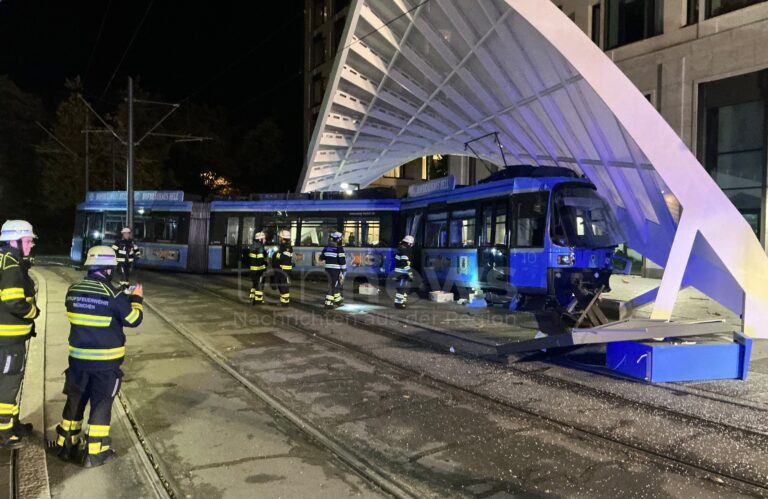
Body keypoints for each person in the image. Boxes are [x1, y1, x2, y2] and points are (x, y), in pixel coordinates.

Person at [52, 245, 144, 468]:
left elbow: (91, 319)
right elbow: (133, 320)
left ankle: (66, 445)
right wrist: (136, 299)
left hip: (78, 360)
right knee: (101, 404)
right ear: (108, 269)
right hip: (105, 364)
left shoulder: (73, 290)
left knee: (75, 400)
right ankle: (95, 452)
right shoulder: (114, 295)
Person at [0, 220, 39, 448]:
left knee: (9, 380)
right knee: (9, 383)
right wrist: (33, 311)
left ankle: (12, 423)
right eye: (28, 240)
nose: (31, 245)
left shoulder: (4, 259)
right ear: (13, 241)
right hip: (9, 338)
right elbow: (15, 302)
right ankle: (5, 432)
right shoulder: (11, 264)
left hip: (5, 338)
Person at [319, 232, 346, 309]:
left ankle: (337, 300)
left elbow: (321, 258)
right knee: (333, 285)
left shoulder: (326, 247)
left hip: (328, 269)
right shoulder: (339, 248)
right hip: (336, 270)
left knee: (334, 283)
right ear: (338, 239)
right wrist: (344, 270)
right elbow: (342, 260)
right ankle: (328, 303)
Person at [272, 230, 293, 306]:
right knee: (281, 285)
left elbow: (283, 258)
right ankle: (283, 301)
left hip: (284, 270)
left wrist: (277, 255)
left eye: (280, 237)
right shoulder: (283, 247)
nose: (279, 239)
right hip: (281, 270)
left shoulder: (287, 248)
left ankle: (285, 303)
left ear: (283, 238)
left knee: (284, 286)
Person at [394, 235, 414, 309]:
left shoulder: (399, 249)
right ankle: (399, 304)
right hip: (403, 273)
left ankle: (402, 302)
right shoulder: (404, 251)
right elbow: (404, 263)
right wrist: (410, 273)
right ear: (408, 243)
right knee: (402, 289)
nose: (411, 246)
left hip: (398, 273)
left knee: (403, 289)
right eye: (411, 244)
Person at [249, 231, 267, 305]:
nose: (265, 240)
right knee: (259, 285)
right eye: (264, 239)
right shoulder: (260, 248)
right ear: (260, 239)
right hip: (258, 271)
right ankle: (258, 300)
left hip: (253, 270)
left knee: (254, 285)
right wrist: (265, 266)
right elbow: (260, 261)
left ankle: (252, 298)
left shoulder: (252, 246)